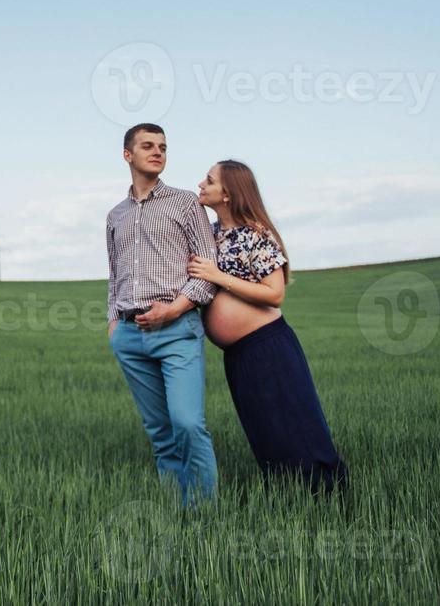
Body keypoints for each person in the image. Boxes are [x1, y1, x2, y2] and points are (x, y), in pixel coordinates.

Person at [186, 159, 347, 492]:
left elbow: (274, 294)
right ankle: (287, 496)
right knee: (264, 427)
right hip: (238, 354)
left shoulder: (256, 234)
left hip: (268, 347)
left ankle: (329, 495)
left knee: (296, 425)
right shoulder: (211, 235)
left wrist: (218, 277)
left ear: (228, 193)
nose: (201, 184)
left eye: (210, 180)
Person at [105, 123, 220, 504]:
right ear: (127, 155)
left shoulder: (185, 203)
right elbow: (114, 271)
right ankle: (177, 509)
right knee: (159, 430)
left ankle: (205, 516)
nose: (158, 152)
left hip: (178, 329)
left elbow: (208, 270)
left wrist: (174, 310)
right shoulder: (115, 215)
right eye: (148, 146)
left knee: (187, 423)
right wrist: (112, 322)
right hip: (129, 335)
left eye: (163, 147)